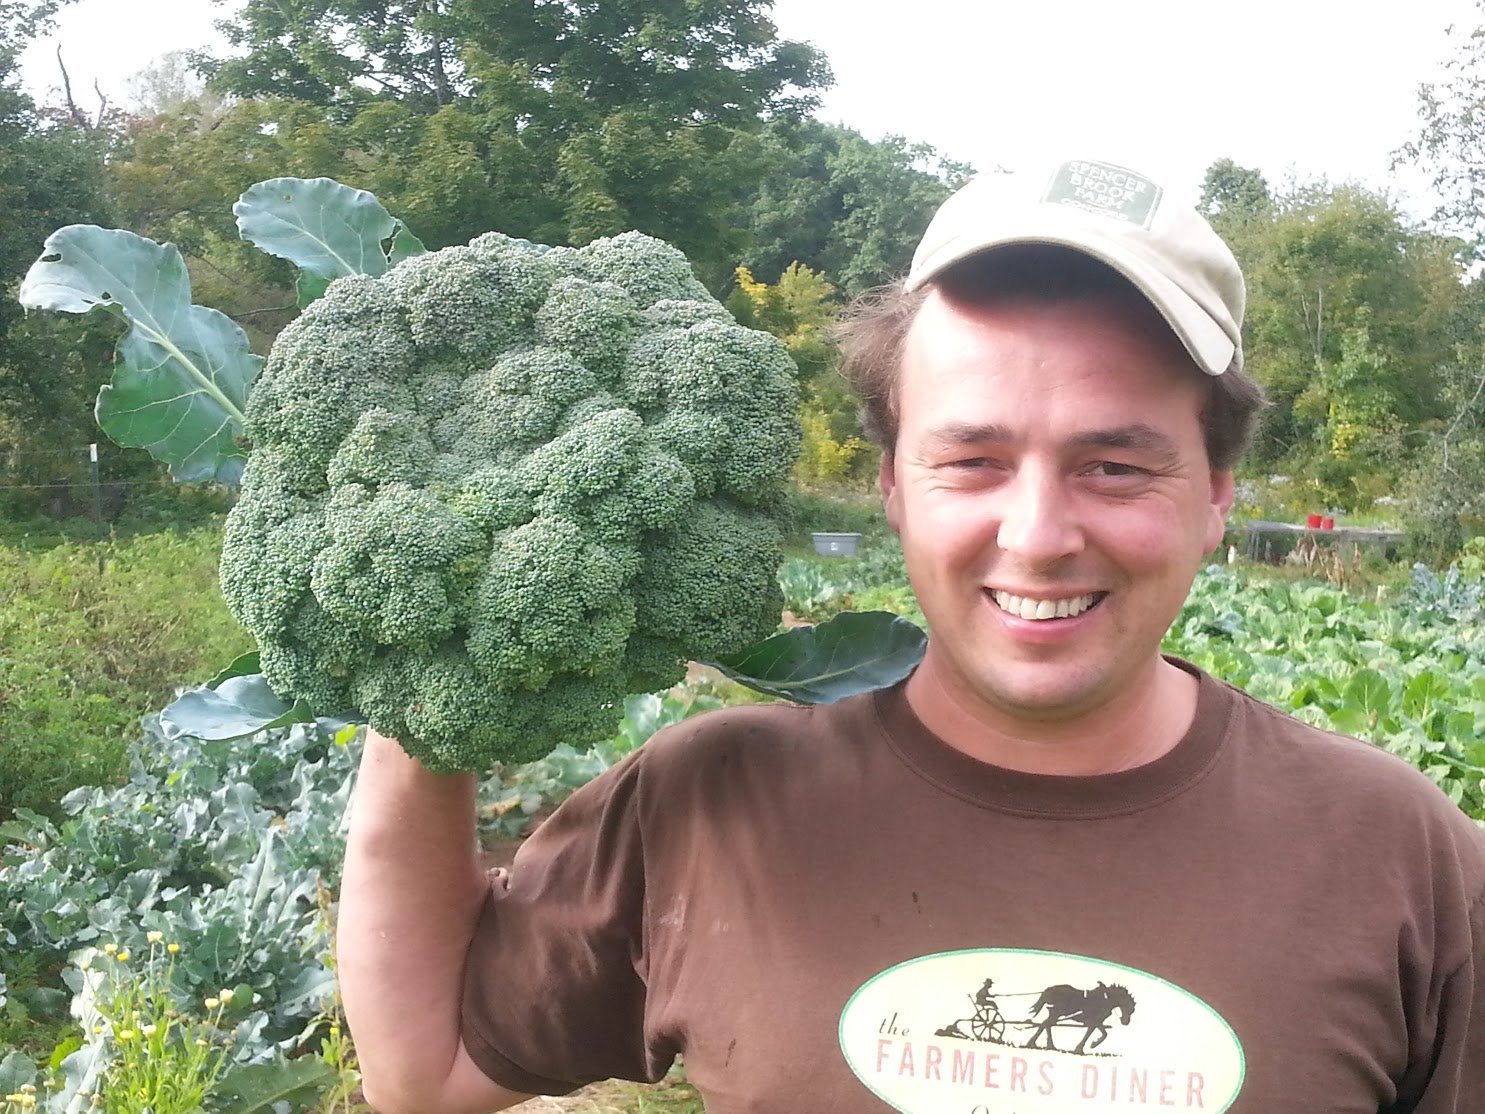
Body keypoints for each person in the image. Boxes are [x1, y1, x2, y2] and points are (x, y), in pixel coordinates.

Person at [338, 159, 1485, 1113]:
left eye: (1115, 465)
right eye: (972, 460)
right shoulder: (708, 800)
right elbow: (423, 1066)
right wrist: (436, 645)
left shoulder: (1404, 856)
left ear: (1218, 490)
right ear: (892, 483)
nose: (1037, 535)